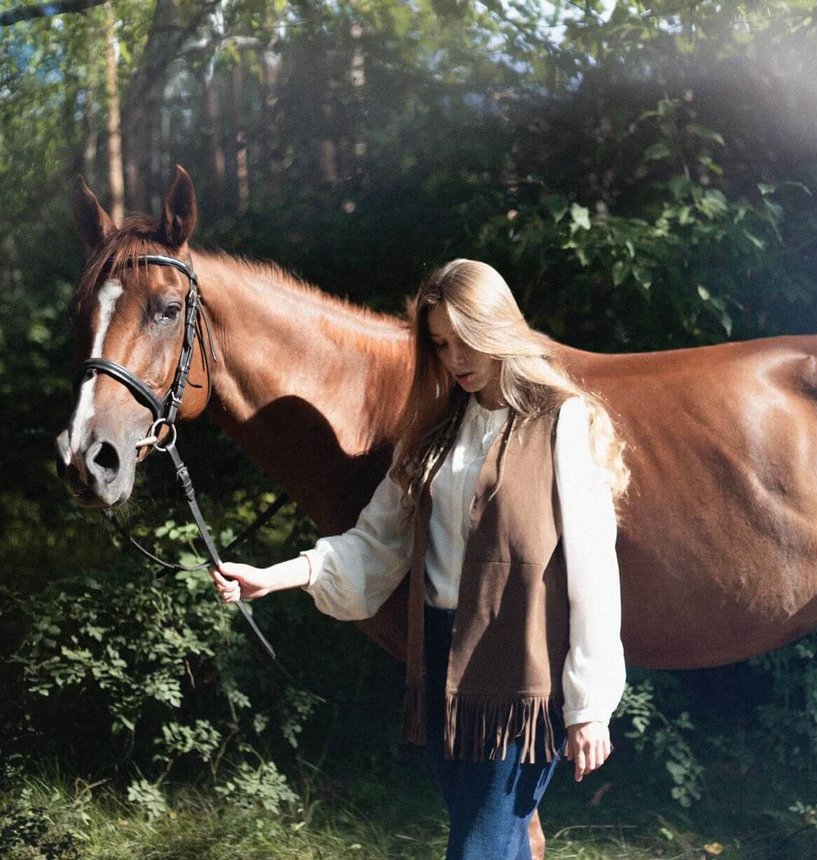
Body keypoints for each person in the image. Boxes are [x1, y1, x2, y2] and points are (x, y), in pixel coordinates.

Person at [211, 259, 629, 859]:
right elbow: (375, 543)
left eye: (465, 341)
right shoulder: (434, 433)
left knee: (477, 849)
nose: (455, 358)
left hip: (519, 673)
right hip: (439, 663)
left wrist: (589, 706)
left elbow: (593, 569)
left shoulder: (562, 423)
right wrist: (275, 577)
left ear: (497, 329)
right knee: (492, 844)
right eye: (440, 344)